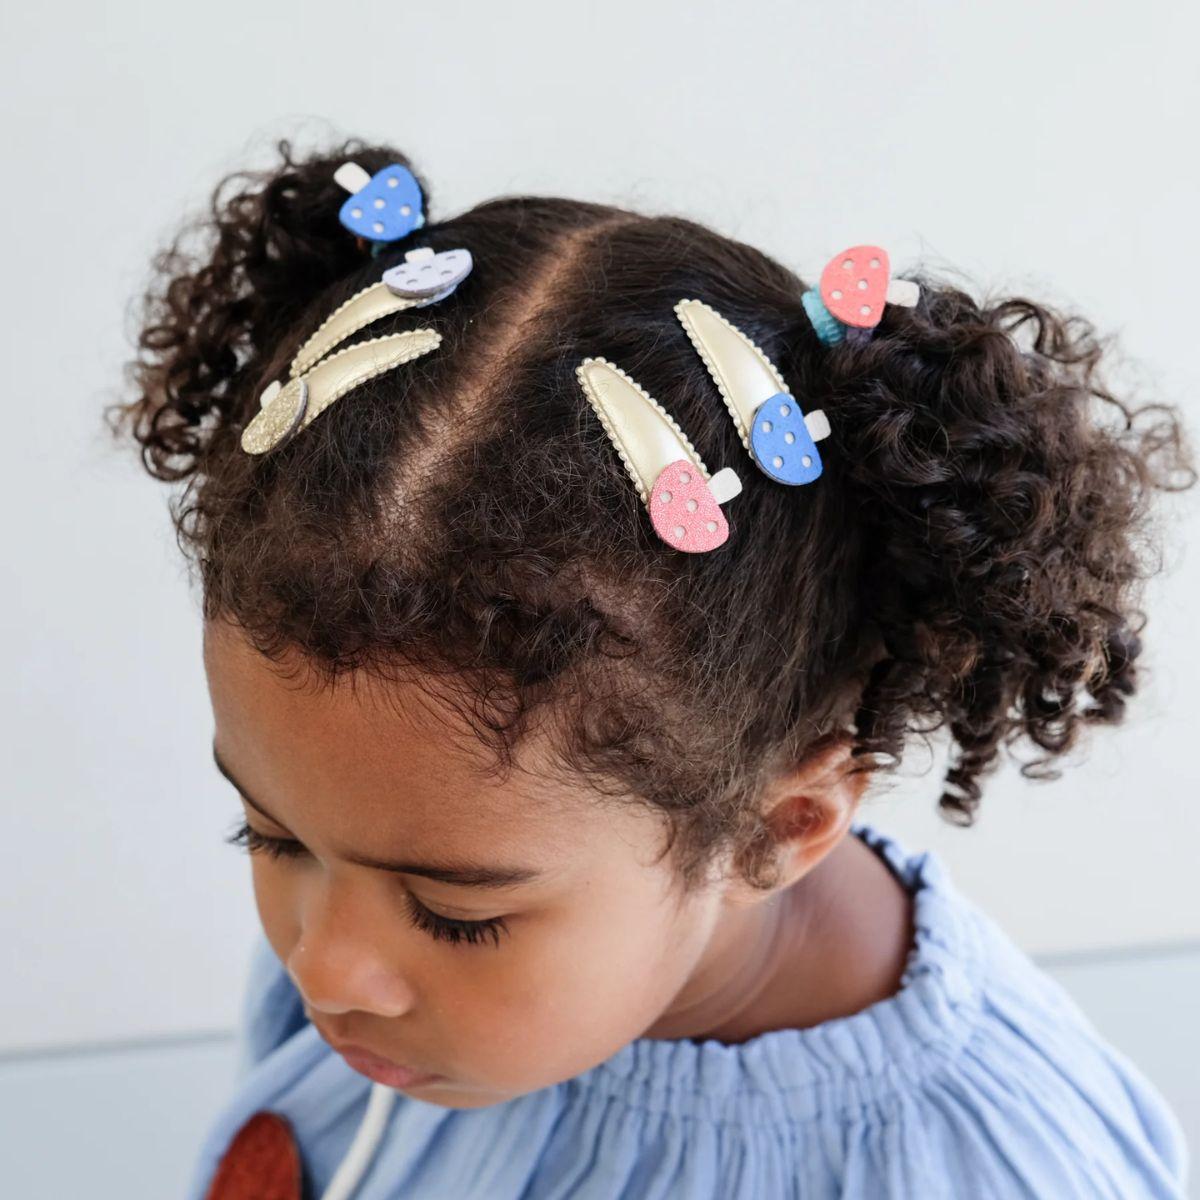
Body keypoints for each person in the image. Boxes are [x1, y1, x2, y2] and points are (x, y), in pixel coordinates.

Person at [107, 137, 1193, 1199]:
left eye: (454, 916)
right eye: (271, 836)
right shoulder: (386, 921)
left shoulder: (985, 1170)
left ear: (776, 829)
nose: (321, 968)